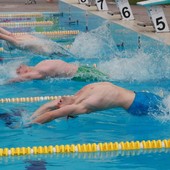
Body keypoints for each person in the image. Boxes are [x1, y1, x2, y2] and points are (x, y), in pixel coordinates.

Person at [30, 82, 163, 124]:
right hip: (139, 105)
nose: (57, 103)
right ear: (68, 110)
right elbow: (52, 115)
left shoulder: (78, 95)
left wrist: (31, 117)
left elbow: (48, 106)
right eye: (59, 106)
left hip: (141, 95)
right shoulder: (82, 106)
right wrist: (30, 124)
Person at [8, 59, 108, 83]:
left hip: (81, 75)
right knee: (108, 77)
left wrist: (5, 83)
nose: (18, 68)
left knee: (108, 79)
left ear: (25, 71)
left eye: (18, 70)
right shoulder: (40, 64)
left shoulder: (40, 71)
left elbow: (24, 78)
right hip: (83, 69)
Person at [0, 27, 69, 56]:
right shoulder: (18, 36)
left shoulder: (17, 43)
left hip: (47, 51)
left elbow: (5, 37)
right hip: (49, 44)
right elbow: (9, 34)